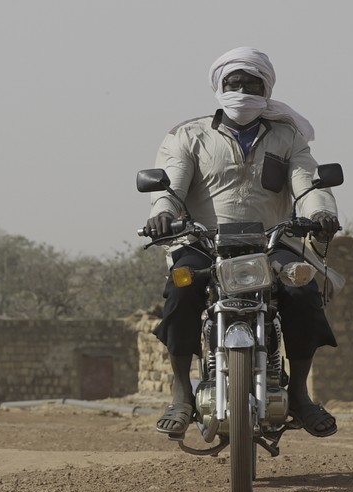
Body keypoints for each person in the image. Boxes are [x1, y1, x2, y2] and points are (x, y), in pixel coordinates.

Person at [144, 46, 341, 438]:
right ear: (219, 86)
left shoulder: (288, 137)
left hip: (272, 241)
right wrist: (162, 212)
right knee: (181, 290)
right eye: (234, 83)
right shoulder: (190, 135)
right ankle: (181, 392)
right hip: (202, 242)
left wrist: (321, 213)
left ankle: (299, 394)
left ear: (266, 87)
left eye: (251, 84)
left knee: (302, 293)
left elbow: (307, 183)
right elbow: (172, 184)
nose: (242, 91)